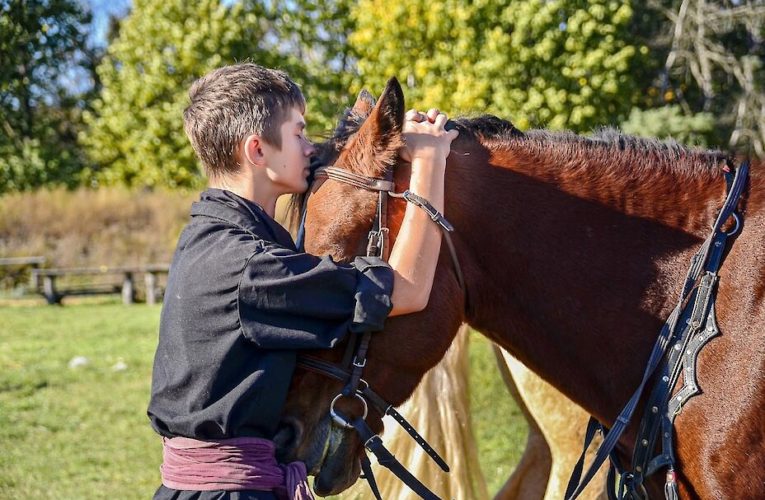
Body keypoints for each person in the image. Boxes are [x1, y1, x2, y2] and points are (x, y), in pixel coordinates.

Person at [147, 63, 458, 500]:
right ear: (257, 151)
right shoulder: (250, 268)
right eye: (298, 133)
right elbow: (407, 289)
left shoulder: (210, 238)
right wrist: (430, 161)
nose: (310, 148)